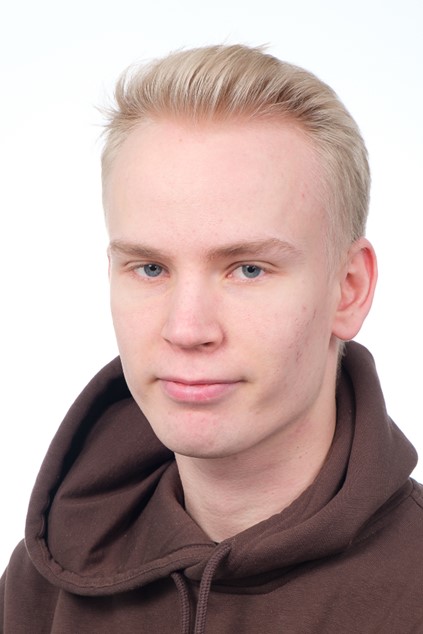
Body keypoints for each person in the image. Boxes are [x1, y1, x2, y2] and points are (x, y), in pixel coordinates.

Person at [1, 44, 422, 634]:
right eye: (150, 268)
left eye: (248, 269)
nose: (187, 329)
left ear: (348, 289)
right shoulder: (43, 580)